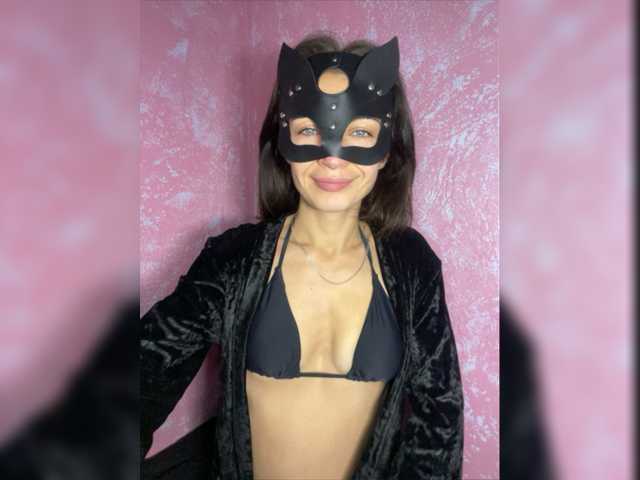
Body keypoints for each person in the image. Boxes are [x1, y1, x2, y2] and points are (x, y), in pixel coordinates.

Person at [141, 34, 464, 480]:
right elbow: (144, 374)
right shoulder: (234, 260)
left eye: (360, 132)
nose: (332, 157)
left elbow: (439, 417)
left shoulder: (412, 264)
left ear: (387, 150)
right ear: (284, 139)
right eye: (310, 130)